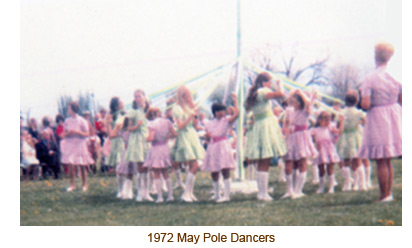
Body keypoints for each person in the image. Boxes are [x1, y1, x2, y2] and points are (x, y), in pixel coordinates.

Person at [358, 42, 402, 202]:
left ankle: (384, 195)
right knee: (387, 158)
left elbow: (366, 104)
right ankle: (388, 193)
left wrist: (360, 101)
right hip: (394, 114)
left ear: (375, 56)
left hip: (378, 116)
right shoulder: (397, 76)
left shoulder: (369, 78)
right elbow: (402, 99)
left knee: (381, 159)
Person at [244, 72, 286, 201]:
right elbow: (280, 95)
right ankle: (262, 193)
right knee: (265, 159)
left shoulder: (255, 94)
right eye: (269, 82)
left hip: (260, 125)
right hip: (265, 125)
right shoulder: (262, 91)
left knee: (263, 160)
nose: (270, 85)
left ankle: (262, 192)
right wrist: (280, 85)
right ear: (263, 83)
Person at [171, 85, 205, 202]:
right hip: (185, 136)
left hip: (192, 135)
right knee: (195, 165)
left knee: (193, 165)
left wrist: (195, 115)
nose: (190, 97)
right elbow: (180, 126)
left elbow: (195, 125)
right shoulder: (177, 108)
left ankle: (189, 193)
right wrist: (190, 116)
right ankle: (186, 193)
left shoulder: (188, 107)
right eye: (188, 95)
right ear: (183, 96)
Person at [282, 89, 318, 199]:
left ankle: (298, 190)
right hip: (291, 138)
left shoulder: (305, 111)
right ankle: (289, 190)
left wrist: (301, 93)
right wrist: (286, 131)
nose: (291, 104)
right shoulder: (289, 111)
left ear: (299, 103)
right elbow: (286, 122)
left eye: (294, 102)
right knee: (289, 162)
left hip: (302, 137)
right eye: (290, 102)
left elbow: (307, 103)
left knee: (302, 162)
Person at [203, 94, 239, 202]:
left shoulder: (226, 120)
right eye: (218, 111)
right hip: (213, 147)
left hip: (223, 146)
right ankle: (217, 194)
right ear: (214, 113)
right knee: (214, 171)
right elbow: (207, 136)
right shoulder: (209, 123)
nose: (220, 113)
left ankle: (227, 195)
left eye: (222, 110)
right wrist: (207, 137)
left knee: (225, 169)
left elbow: (236, 114)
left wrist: (235, 101)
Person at [144, 107, 177, 203]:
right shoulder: (167, 122)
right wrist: (167, 137)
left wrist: (144, 139)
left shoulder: (152, 124)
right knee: (165, 172)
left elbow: (151, 137)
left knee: (156, 173)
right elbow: (174, 133)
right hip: (165, 147)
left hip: (156, 148)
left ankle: (160, 197)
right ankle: (170, 195)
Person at [336, 90, 367, 191]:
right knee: (358, 161)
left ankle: (347, 184)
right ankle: (361, 184)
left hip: (344, 137)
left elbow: (338, 125)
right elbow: (366, 122)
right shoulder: (359, 112)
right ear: (357, 101)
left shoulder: (340, 113)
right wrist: (360, 124)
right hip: (356, 136)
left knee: (346, 161)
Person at [124, 89, 151, 202]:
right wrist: (136, 126)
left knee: (147, 167)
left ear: (144, 97)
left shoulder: (149, 111)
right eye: (135, 97)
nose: (137, 98)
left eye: (139, 96)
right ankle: (140, 192)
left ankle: (147, 192)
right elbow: (128, 128)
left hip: (146, 139)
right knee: (140, 166)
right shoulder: (133, 112)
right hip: (137, 140)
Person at [61, 101, 93, 192]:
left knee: (82, 164)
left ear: (73, 109)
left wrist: (77, 132)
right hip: (70, 143)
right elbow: (64, 133)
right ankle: (72, 185)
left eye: (69, 108)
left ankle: (84, 184)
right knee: (71, 164)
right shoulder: (67, 120)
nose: (68, 110)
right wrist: (67, 133)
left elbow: (87, 133)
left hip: (80, 143)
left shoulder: (82, 120)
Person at [311, 111, 343, 194]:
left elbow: (339, 131)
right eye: (325, 120)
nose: (327, 122)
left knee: (330, 168)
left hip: (329, 149)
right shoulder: (315, 130)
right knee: (320, 168)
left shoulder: (330, 127)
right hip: (320, 150)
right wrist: (314, 144)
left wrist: (341, 122)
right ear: (319, 120)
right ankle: (321, 186)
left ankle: (331, 186)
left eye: (328, 120)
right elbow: (307, 136)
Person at [106, 97, 127, 196]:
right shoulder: (112, 116)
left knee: (124, 166)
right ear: (116, 105)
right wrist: (108, 123)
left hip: (123, 142)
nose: (123, 103)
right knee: (117, 167)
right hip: (115, 143)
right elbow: (110, 134)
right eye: (120, 102)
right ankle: (120, 189)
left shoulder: (125, 115)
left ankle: (126, 188)